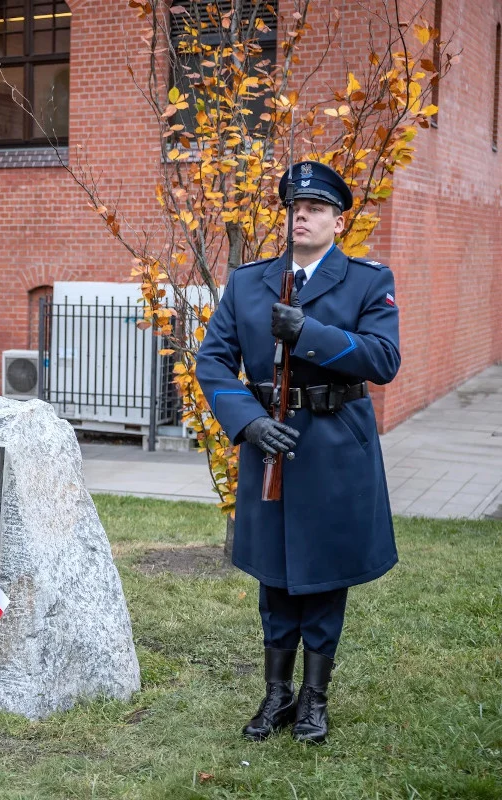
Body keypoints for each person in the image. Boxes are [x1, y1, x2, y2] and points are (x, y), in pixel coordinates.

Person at [195, 161, 401, 743]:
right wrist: (249, 424)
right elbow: (212, 362)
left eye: (315, 208)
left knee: (325, 574)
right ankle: (277, 695)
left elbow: (383, 360)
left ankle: (314, 698)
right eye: (295, 208)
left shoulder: (366, 281)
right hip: (271, 443)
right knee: (276, 575)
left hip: (336, 446)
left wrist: (308, 332)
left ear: (339, 218)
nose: (302, 216)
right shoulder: (248, 282)